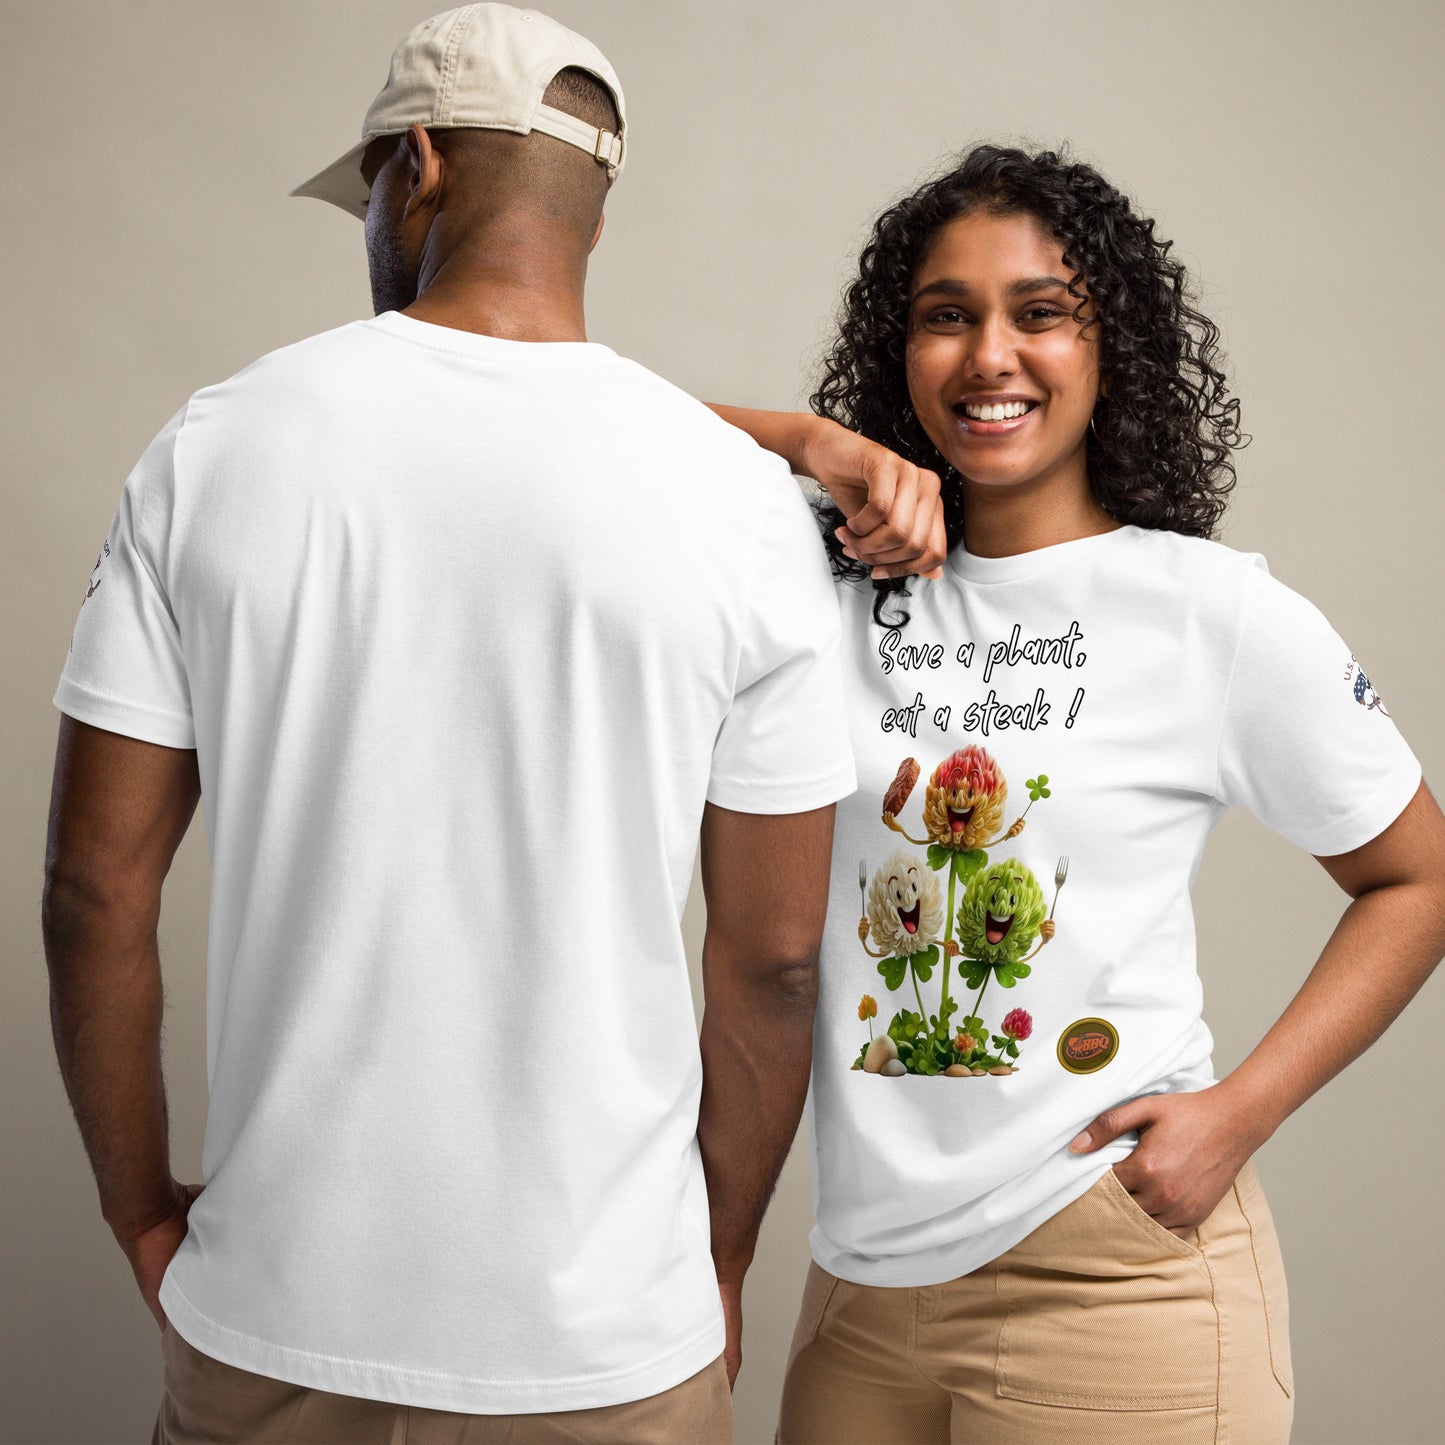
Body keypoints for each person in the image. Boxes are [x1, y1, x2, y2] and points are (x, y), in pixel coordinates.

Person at [40, 6, 857, 1442]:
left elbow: (93, 887)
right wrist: (711, 1266)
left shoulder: (215, 447)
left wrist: (139, 1212)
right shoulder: (739, 506)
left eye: (364, 186)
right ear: (594, 212)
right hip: (606, 1342)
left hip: (274, 1316)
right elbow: (773, 961)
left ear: (411, 169)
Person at [713, 143, 1445, 1443]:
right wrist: (812, 444)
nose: (989, 354)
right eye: (947, 316)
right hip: (859, 1283)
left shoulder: (1204, 613)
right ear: (900, 348)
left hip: (1109, 1275)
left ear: (1113, 348)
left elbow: (1417, 876)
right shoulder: (816, 591)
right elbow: (587, 435)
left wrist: (1238, 1112)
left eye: (1039, 312)